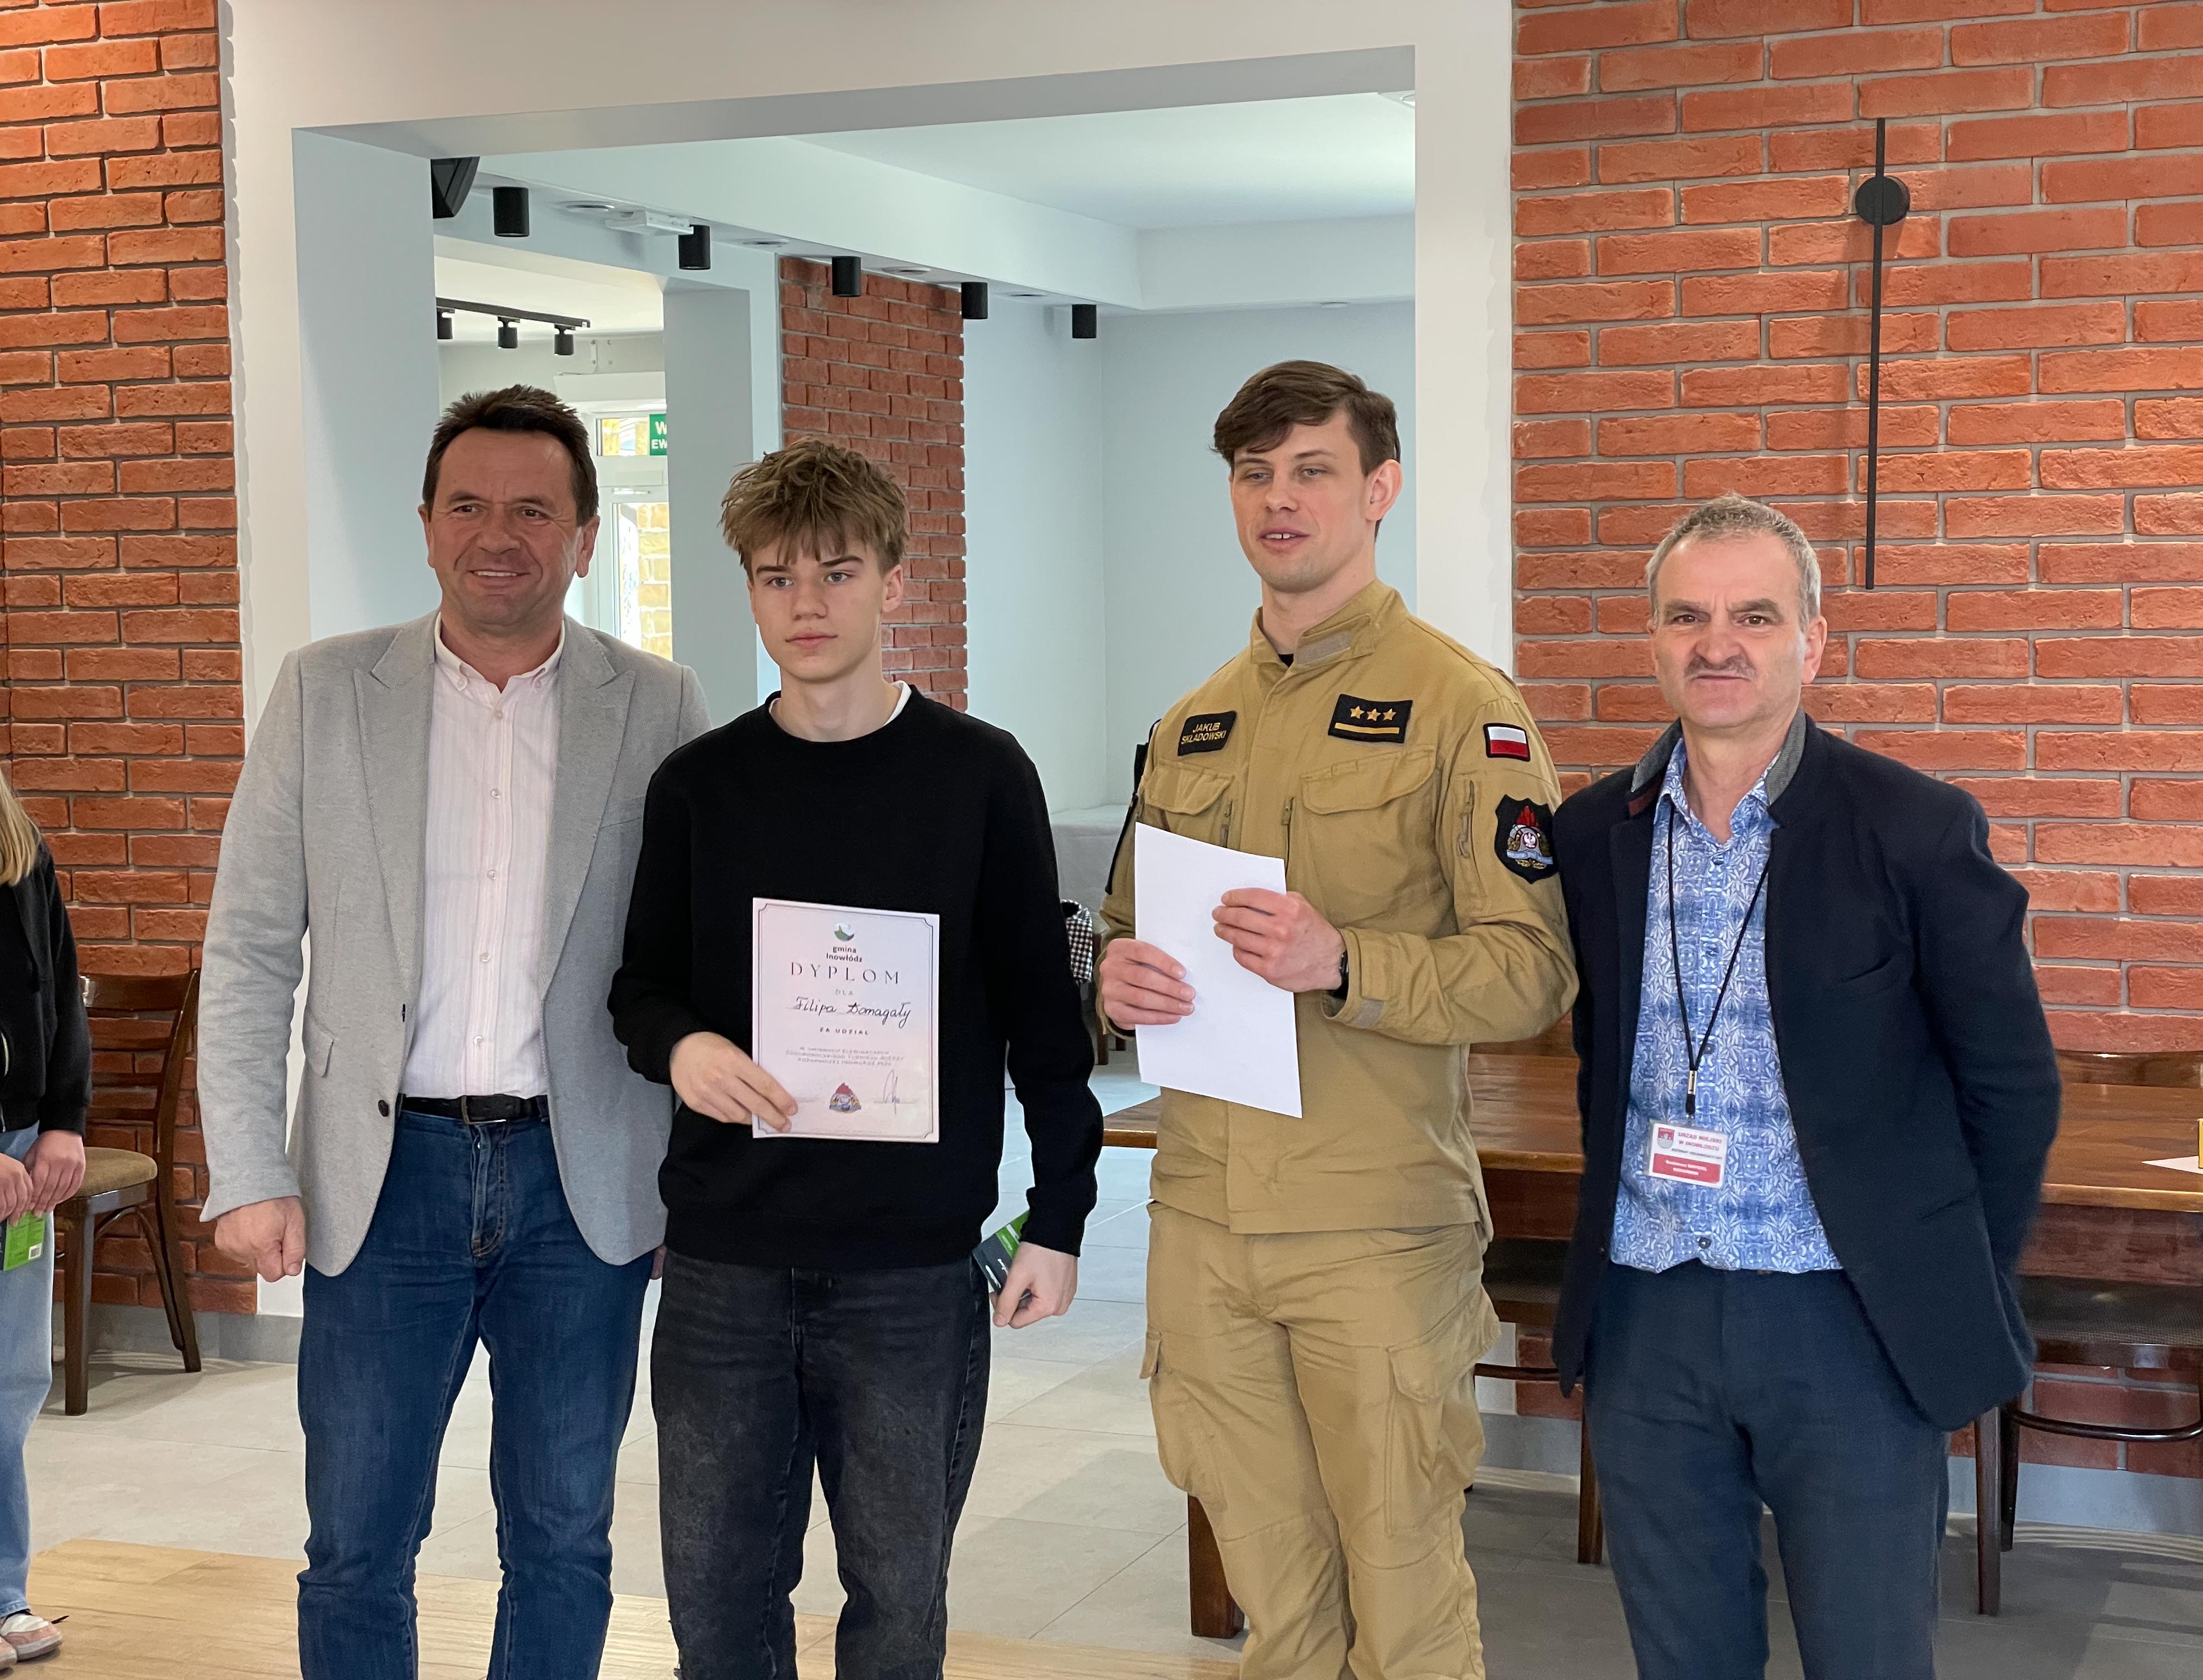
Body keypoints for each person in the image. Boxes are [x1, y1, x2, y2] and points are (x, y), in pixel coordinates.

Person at [198, 386, 711, 1680]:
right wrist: (248, 1169)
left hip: (581, 1185)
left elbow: (697, 958)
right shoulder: (324, 693)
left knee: (565, 1540)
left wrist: (696, 1177)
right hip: (383, 1183)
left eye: (534, 511)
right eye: (470, 505)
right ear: (426, 525)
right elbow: (249, 947)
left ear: (585, 538)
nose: (500, 535)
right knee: (358, 1544)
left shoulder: (658, 705)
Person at [1100, 361, 1576, 1680]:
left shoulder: (1464, 708)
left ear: (1380, 489)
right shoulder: (1190, 724)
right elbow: (1128, 928)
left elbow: (1534, 972)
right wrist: (1117, 980)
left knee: (1405, 1617)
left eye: (1312, 470)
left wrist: (1346, 961)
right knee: (1281, 1615)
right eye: (1254, 474)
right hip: (1204, 1221)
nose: (1279, 499)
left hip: (1372, 1227)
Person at [609, 437, 1101, 1680]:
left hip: (911, 1273)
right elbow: (639, 989)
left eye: (836, 573)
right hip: (724, 1263)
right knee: (718, 1608)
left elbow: (1044, 1020)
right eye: (777, 578)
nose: (807, 604)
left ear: (893, 580)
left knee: (897, 1608)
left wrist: (1060, 1217)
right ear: (749, 591)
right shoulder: (700, 786)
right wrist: (684, 1045)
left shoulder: (981, 777)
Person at [1549, 493, 2061, 1680]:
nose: (1716, 644)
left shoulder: (1917, 829)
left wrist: (1941, 1270)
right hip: (1647, 1311)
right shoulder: (1592, 833)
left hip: (1847, 1315)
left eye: (1755, 616)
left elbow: (2012, 1086)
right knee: (1682, 1656)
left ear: (1812, 642)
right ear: (1653, 640)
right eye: (1687, 616)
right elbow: (1597, 1056)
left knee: (1868, 1655)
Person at [0, 772, 88, 1669]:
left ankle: (3, 1590)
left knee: (11, 1379)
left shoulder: (20, 846)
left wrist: (64, 1120)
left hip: (22, 1153)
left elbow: (60, 987)